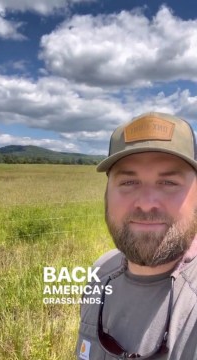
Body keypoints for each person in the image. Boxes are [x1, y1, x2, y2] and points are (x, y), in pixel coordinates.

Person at [76, 112, 197, 359]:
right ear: (107, 194)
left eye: (169, 183)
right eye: (129, 183)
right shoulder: (101, 272)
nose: (146, 204)